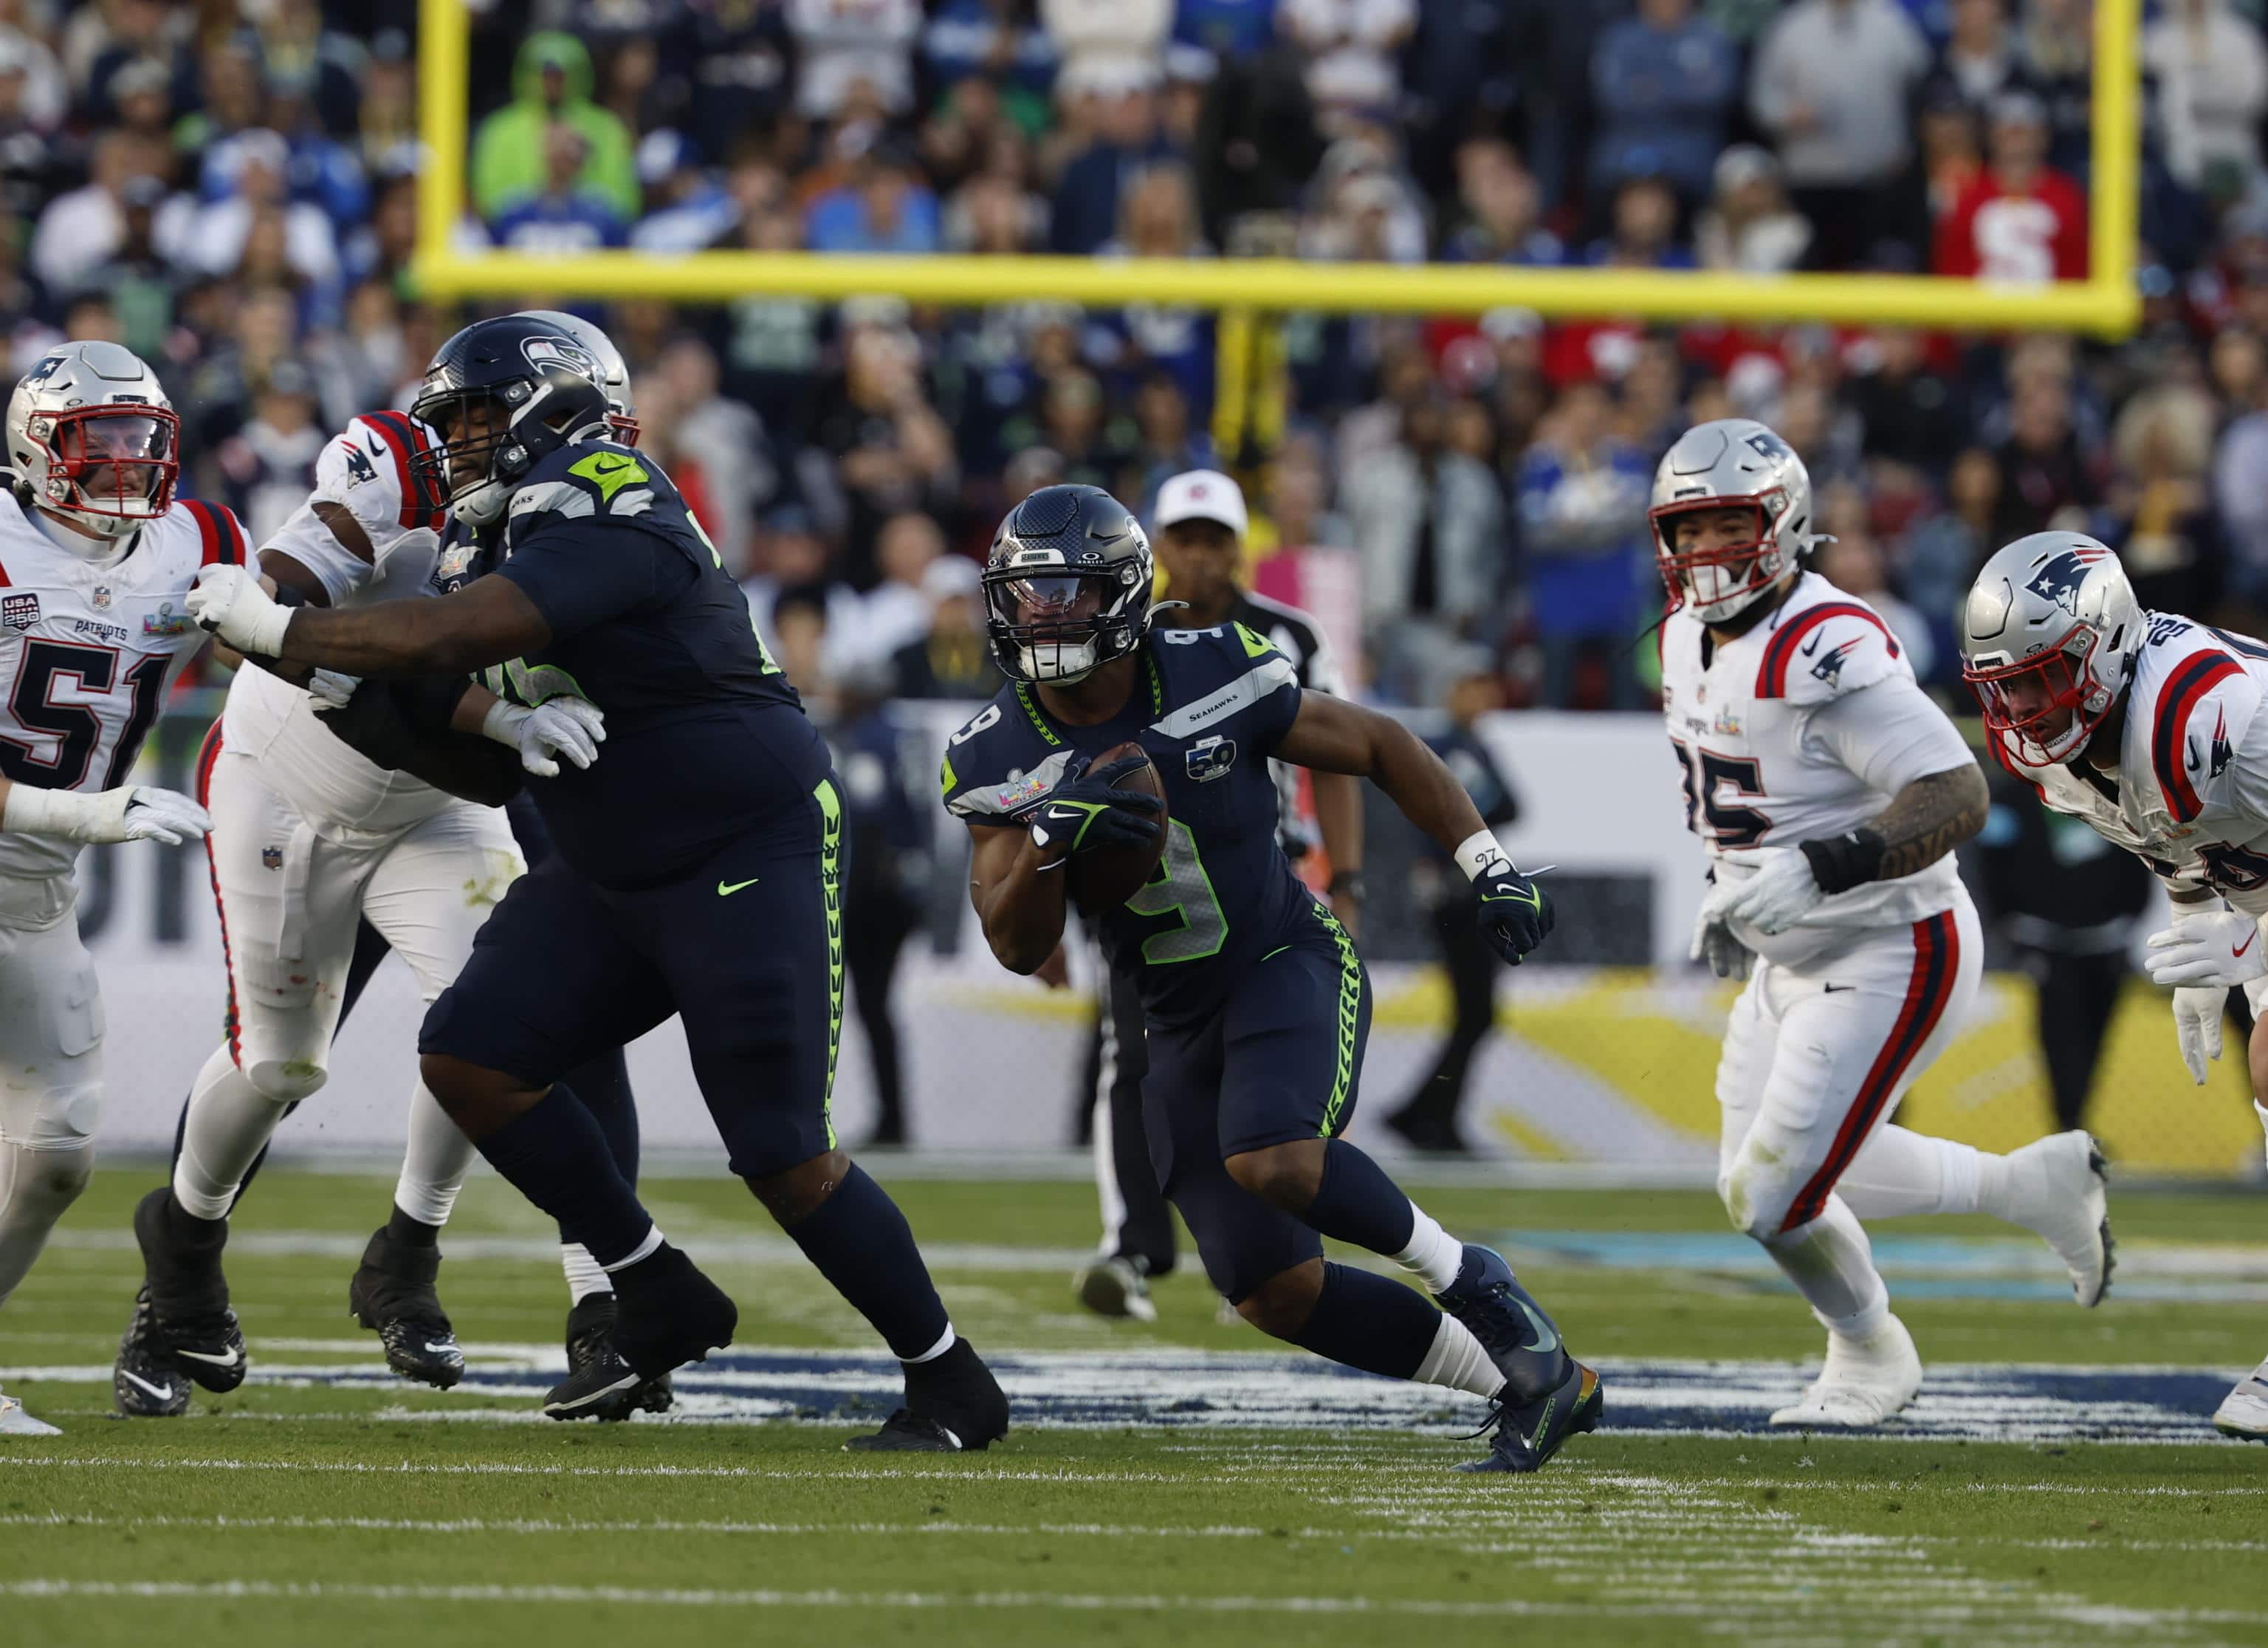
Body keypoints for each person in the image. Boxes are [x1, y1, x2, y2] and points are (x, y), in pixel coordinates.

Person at [185, 315, 1008, 1452]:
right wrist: (375, 687)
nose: (453, 442)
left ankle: (949, 1378)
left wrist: (289, 624)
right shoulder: (489, 538)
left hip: (742, 842)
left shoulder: (610, 486)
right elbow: (455, 742)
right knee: (473, 1054)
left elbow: (464, 630)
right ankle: (650, 1282)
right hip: (608, 862)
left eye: (471, 416)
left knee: (779, 1148)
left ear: (547, 404)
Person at [944, 481, 1591, 1473]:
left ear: (1119, 593)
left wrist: (1485, 862)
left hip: (1282, 958)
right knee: (1270, 1291)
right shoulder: (993, 747)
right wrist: (1046, 840)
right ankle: (1538, 1382)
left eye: (1071, 590)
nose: (1049, 615)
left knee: (1276, 1157)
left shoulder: (1217, 666)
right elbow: (1013, 944)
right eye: (1031, 594)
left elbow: (1378, 743)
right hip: (1171, 1020)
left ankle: (1490, 1294)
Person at [1659, 419, 2113, 1429]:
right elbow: (1761, 795)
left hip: (1890, 943)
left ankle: (1870, 1351)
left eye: (1729, 523)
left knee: (1775, 1197)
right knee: (1791, 1172)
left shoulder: (1829, 642)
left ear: (1782, 524)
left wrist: (1827, 865)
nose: (1706, 551)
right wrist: (1734, 885)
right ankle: (2031, 1190)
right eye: (1689, 528)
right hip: (1792, 955)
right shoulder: (1682, 636)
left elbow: (1958, 793)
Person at [1957, 532, 2268, 1443]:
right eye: (2002, 684)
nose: (2019, 704)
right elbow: (2174, 840)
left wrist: (2244, 936)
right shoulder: (2060, 753)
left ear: (2107, 645)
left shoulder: (2217, 716)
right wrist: (2198, 926)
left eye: (2039, 676)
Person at [1071, 468, 1364, 1322]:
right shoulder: (1128, 633)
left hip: (1265, 881)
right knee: (1132, 1054)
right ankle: (1130, 1242)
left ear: (1241, 548)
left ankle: (1269, 1246)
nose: (1199, 558)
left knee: (1262, 1061)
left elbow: (1346, 753)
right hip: (1150, 883)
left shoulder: (1288, 635)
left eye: (1214, 541)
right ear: (1157, 548)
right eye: (1184, 540)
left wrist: (1346, 880)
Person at [0, 340, 221, 1436]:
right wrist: (86, 811)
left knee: (56, 1156)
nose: (131, 465)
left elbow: (307, 643)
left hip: (35, 894)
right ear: (39, 447)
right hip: (46, 834)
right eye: (104, 441)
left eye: (145, 439)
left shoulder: (192, 542)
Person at [1383, 670, 1520, 1154]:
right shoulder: (1449, 745)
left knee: (1474, 1014)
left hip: (1467, 891)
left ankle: (1426, 1114)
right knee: (1475, 1012)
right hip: (1455, 893)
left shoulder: (1469, 745)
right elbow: (1481, 807)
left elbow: (1510, 806)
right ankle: (1427, 1117)